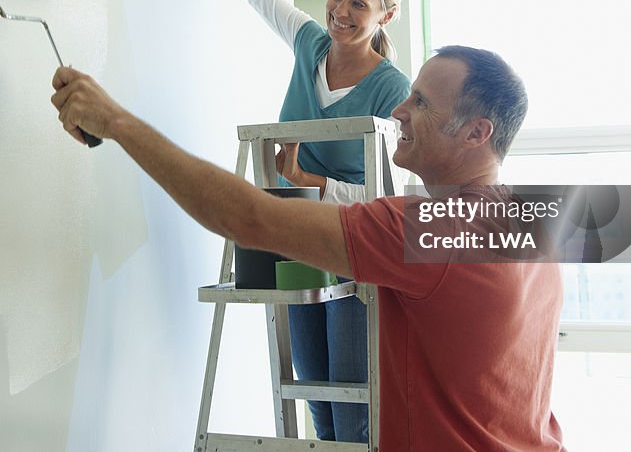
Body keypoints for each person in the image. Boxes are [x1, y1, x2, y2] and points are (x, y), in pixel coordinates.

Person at [50, 46, 567, 451]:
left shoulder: (431, 232)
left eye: (423, 103)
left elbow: (246, 218)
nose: (399, 110)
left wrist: (117, 122)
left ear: (477, 132)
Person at [210, 0, 411, 442]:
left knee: (350, 406)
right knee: (313, 403)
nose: (340, 11)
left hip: (353, 253)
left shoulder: (393, 90)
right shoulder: (308, 45)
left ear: (385, 17)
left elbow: (390, 206)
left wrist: (309, 181)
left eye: (358, 4)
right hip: (290, 242)